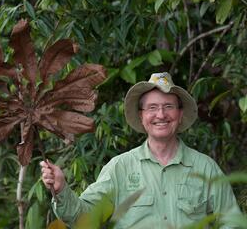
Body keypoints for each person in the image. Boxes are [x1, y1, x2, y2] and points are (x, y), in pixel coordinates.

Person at [40, 72, 241, 228]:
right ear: (142, 116)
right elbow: (85, 220)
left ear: (180, 114)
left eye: (168, 106)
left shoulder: (205, 167)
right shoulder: (120, 168)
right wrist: (61, 190)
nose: (161, 114)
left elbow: (231, 222)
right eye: (152, 107)